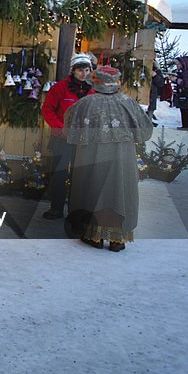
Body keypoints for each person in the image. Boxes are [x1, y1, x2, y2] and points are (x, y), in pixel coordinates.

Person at [63, 66, 153, 252]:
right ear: (116, 82)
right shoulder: (128, 102)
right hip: (122, 158)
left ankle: (92, 235)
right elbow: (145, 130)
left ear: (95, 82)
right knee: (119, 190)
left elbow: (69, 128)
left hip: (91, 156)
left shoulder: (85, 103)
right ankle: (117, 239)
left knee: (92, 188)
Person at [39, 52, 95, 219]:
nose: (83, 74)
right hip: (62, 139)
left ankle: (77, 210)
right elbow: (47, 110)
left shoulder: (93, 91)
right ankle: (56, 208)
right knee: (59, 174)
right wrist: (60, 129)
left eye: (86, 70)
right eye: (80, 70)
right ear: (73, 71)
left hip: (83, 140)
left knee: (81, 176)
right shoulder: (60, 88)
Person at [173, 55, 188, 130]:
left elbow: (187, 84)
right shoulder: (184, 72)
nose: (177, 65)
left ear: (183, 64)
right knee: (185, 111)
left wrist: (176, 80)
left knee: (186, 112)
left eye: (178, 64)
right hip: (185, 96)